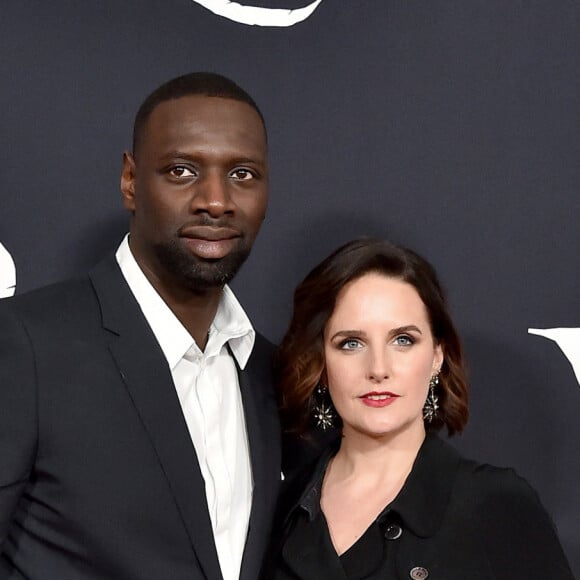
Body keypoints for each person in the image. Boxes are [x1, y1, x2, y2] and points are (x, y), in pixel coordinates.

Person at [0, 72, 281, 580]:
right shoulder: (25, 346)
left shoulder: (273, 374)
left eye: (242, 174)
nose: (215, 201)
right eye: (181, 171)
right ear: (130, 181)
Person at [266, 238, 574, 580]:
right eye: (351, 343)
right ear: (321, 362)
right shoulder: (279, 510)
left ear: (437, 356)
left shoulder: (495, 504)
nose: (378, 368)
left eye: (403, 340)